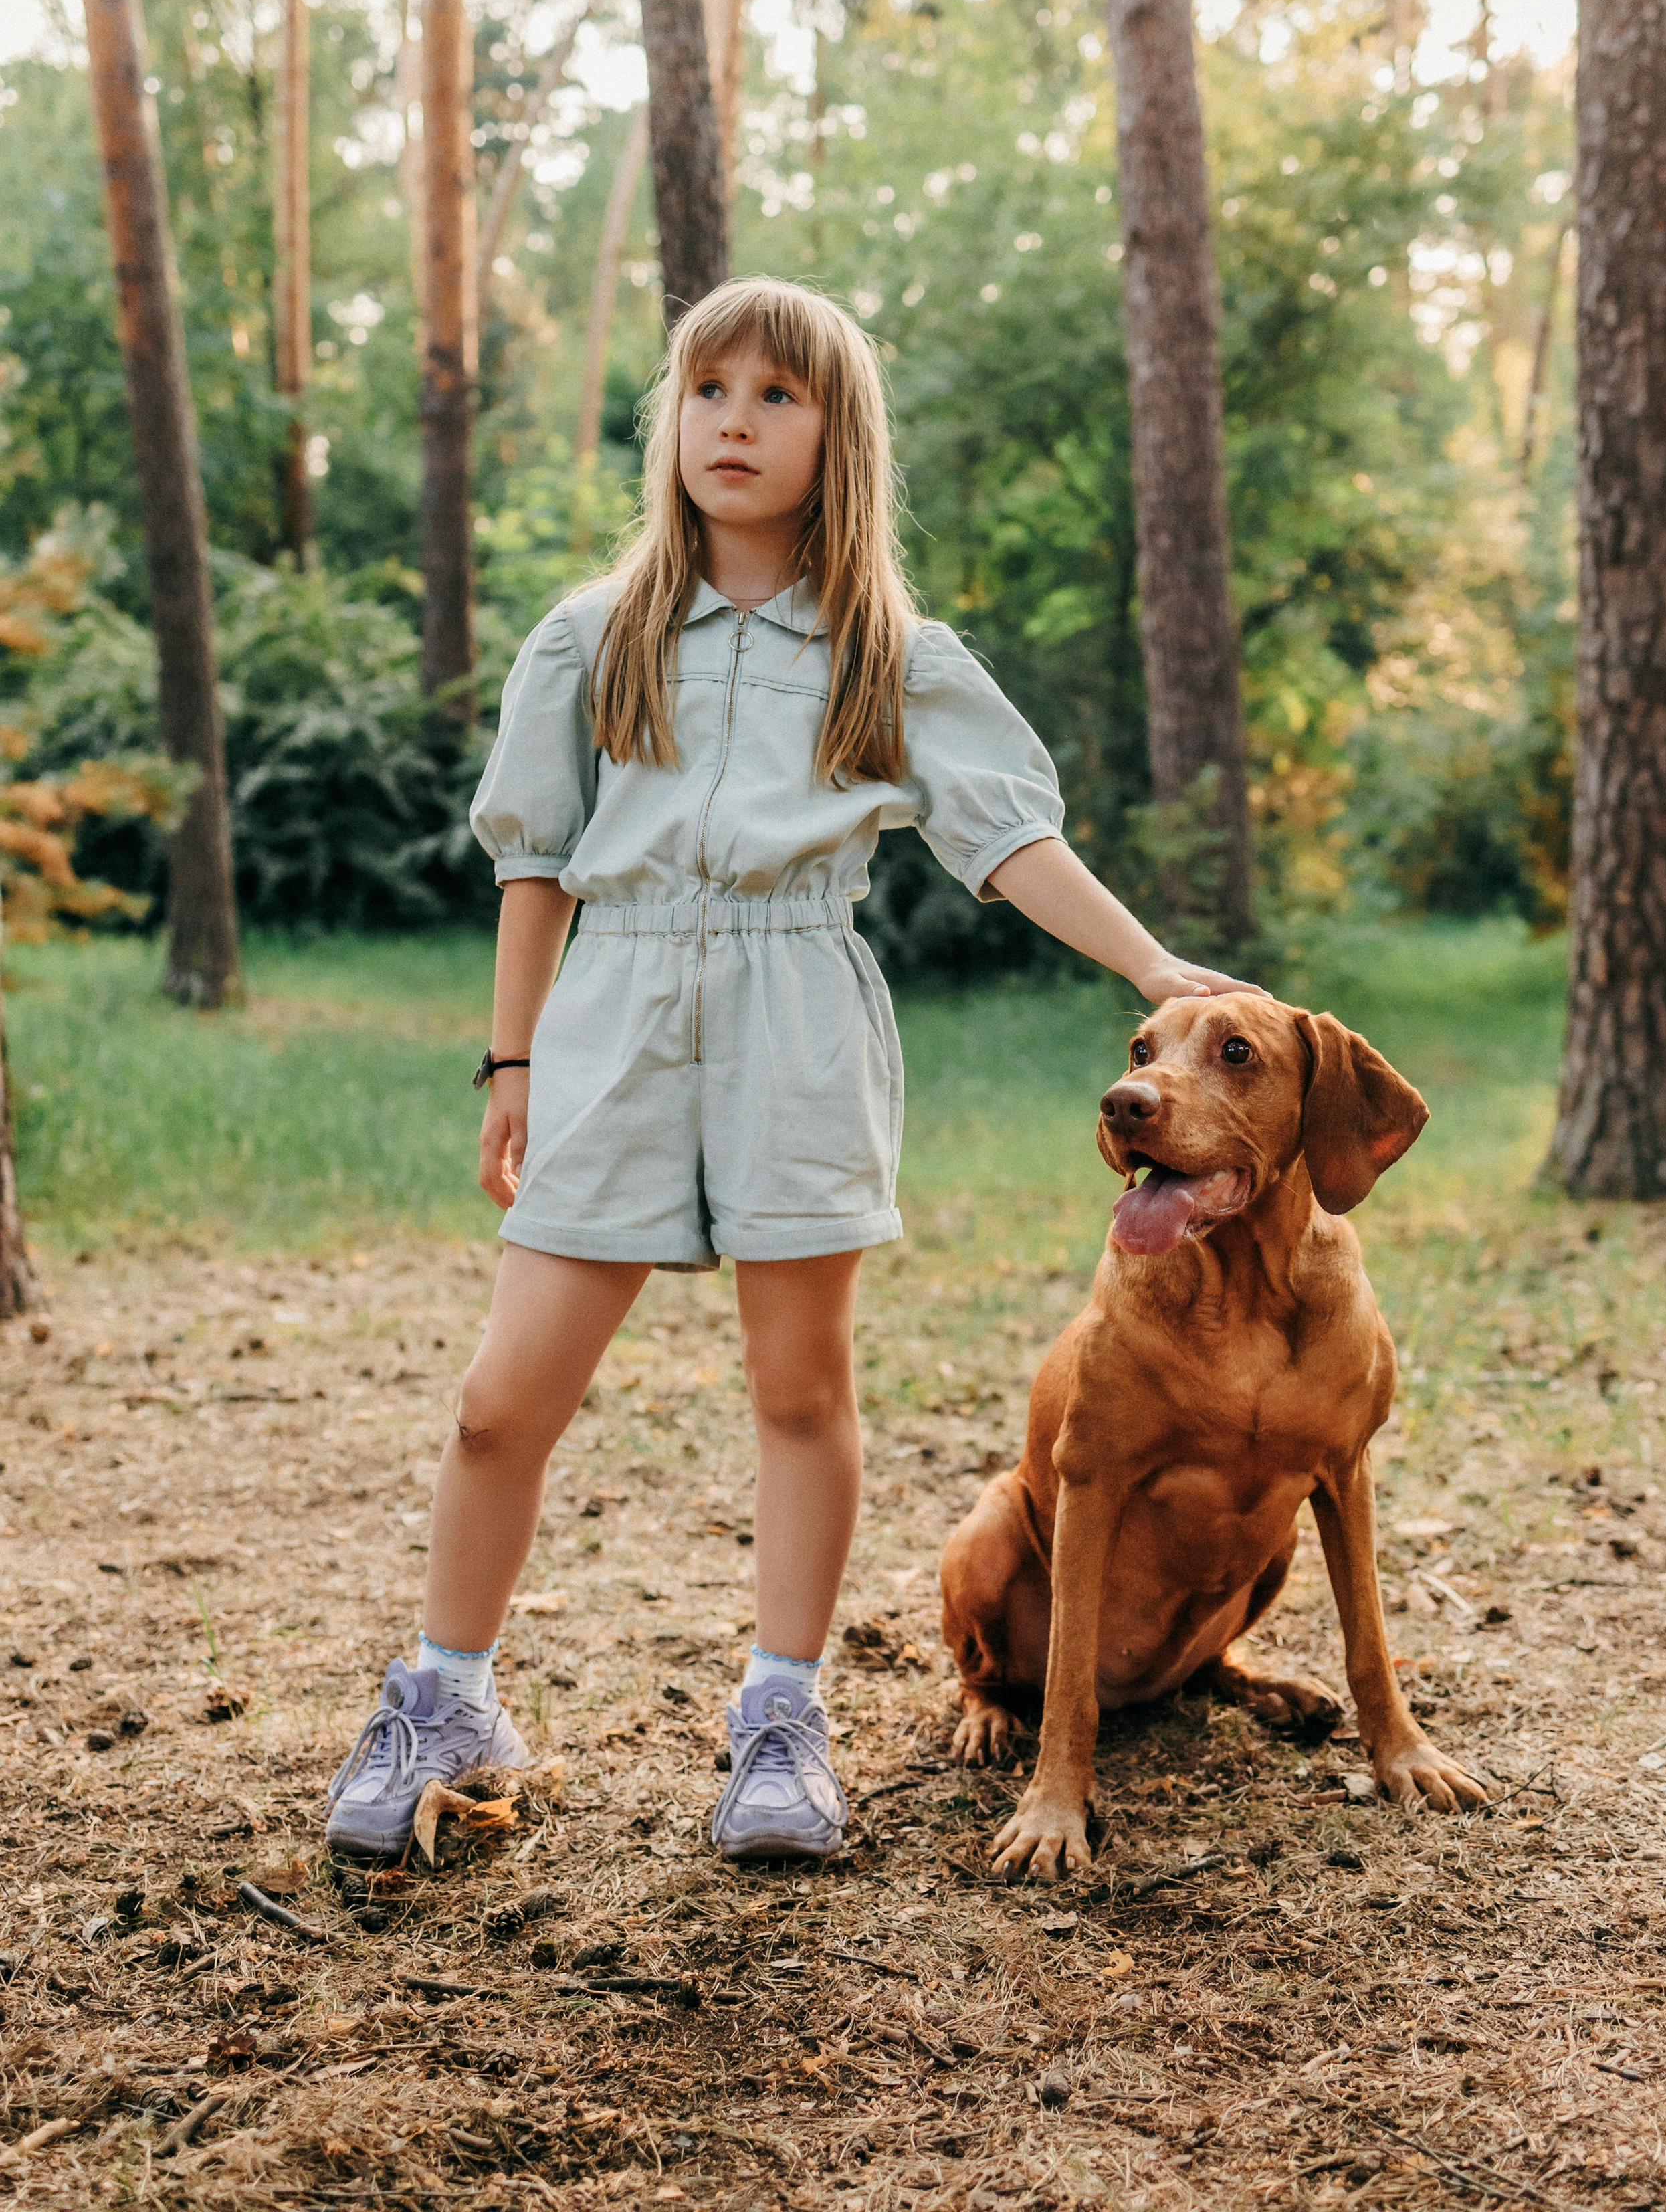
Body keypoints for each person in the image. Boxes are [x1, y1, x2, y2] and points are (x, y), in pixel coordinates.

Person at [325, 276, 1255, 1865]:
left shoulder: (890, 648)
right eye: (706, 393)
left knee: (797, 1387)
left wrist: (1153, 967)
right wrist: (510, 1060)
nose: (734, 424)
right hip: (613, 1012)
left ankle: (778, 1718)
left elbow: (1006, 836)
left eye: (775, 396)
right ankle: (448, 1695)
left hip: (796, 1011)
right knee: (500, 1402)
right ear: (669, 423)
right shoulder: (590, 634)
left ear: (838, 435)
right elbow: (534, 864)